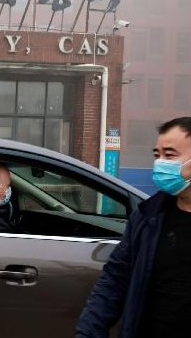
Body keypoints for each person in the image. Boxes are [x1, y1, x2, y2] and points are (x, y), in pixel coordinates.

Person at [76, 117, 191, 338]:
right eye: (157, 155)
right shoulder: (148, 218)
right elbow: (115, 279)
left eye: (170, 155)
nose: (160, 163)